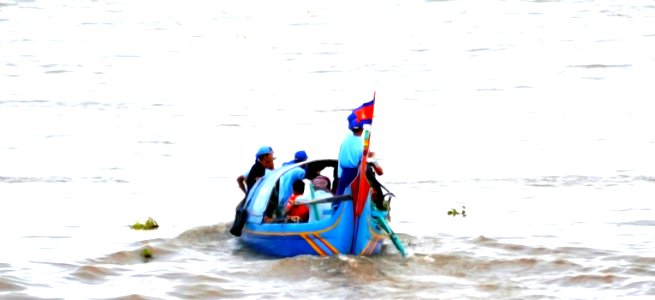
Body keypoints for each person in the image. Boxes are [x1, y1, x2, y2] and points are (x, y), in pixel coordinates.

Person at [336, 114, 383, 196]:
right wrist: (371, 156)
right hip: (355, 173)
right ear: (362, 130)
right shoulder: (362, 144)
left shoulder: (345, 141)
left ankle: (336, 204)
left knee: (340, 191)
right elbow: (380, 172)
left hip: (344, 173)